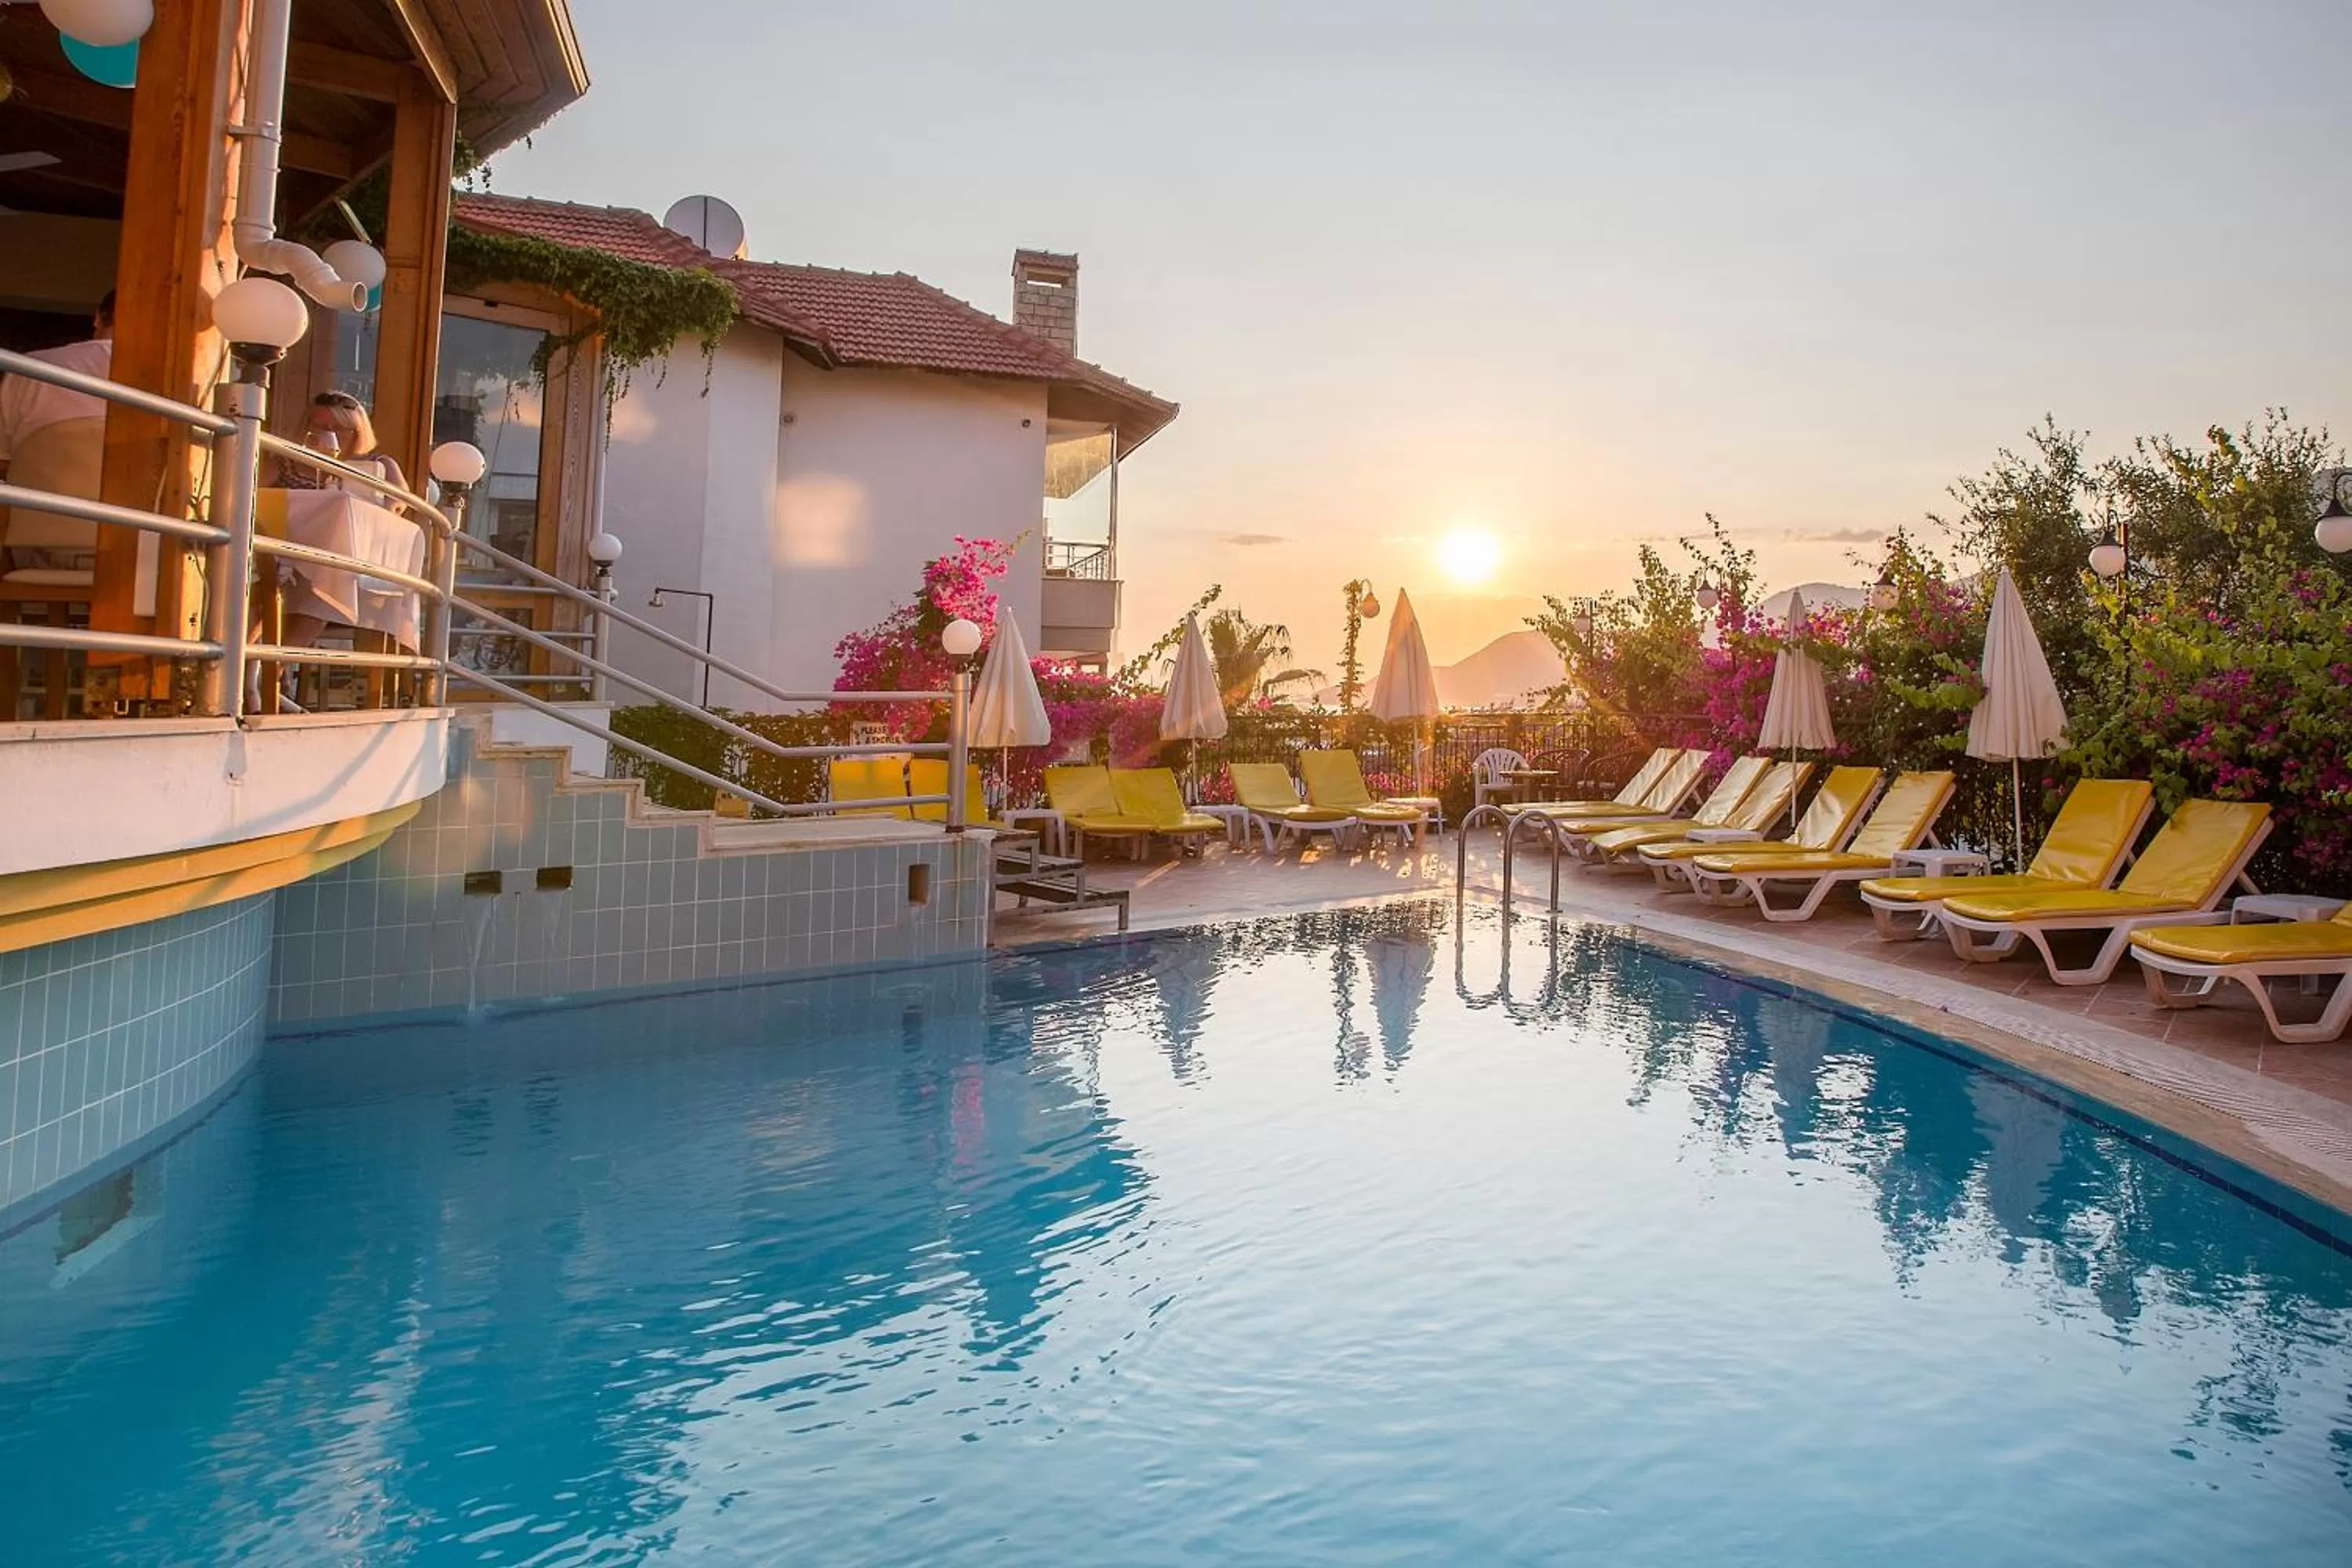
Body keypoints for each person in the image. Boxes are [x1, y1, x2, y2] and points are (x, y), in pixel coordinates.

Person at [274, 389, 406, 498]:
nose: (330, 435)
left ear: (358, 433)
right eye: (320, 427)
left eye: (340, 429)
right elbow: (256, 494)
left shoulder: (380, 465)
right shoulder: (285, 464)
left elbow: (397, 505)